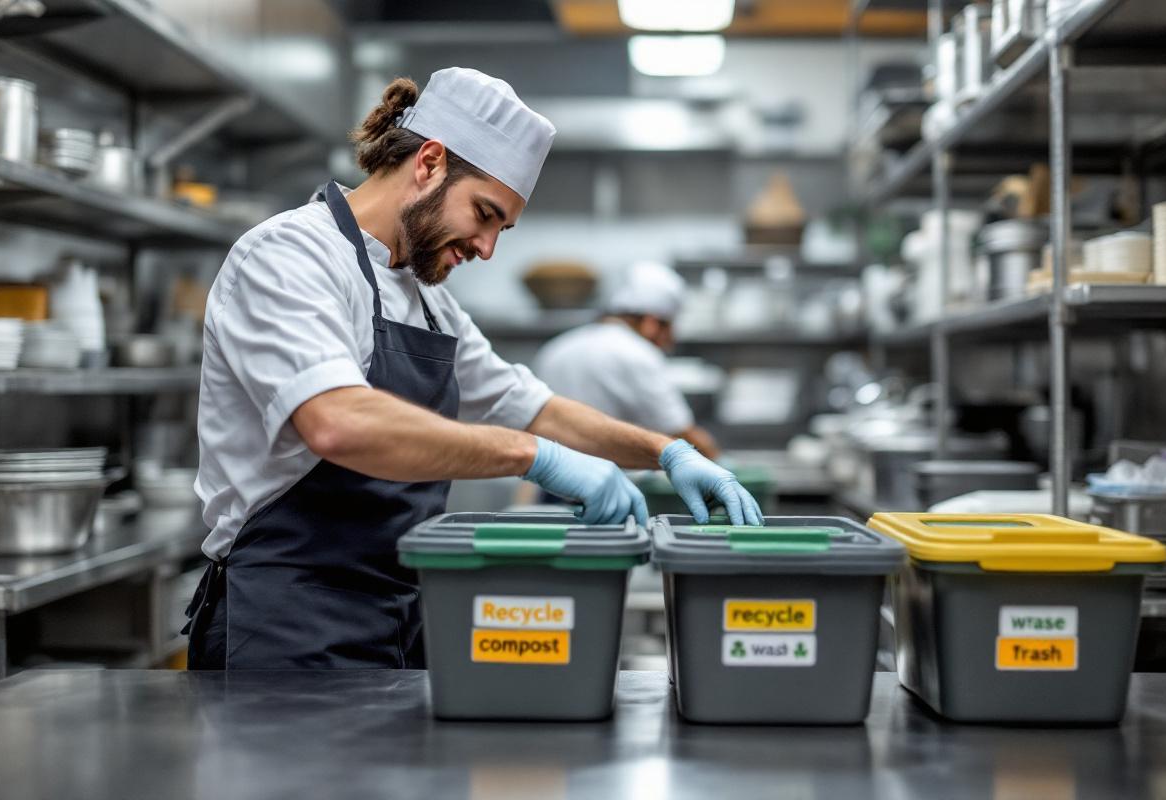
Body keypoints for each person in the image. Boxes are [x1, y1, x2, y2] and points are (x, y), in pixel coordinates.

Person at [184, 67, 762, 671]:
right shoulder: (289, 257)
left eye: (501, 229)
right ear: (429, 163)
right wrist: (535, 458)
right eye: (484, 214)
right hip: (287, 623)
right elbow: (339, 423)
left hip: (402, 613)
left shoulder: (428, 297)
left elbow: (529, 403)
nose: (487, 248)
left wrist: (666, 452)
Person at [534, 261, 720, 459]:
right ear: (651, 323)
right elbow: (680, 432)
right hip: (609, 482)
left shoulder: (556, 348)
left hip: (550, 480)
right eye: (669, 328)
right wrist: (719, 466)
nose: (670, 341)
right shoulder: (637, 353)